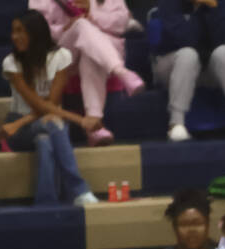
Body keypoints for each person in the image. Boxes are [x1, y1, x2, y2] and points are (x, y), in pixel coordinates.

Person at [0, 10, 100, 206]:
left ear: (35, 32)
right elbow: (37, 104)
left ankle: (46, 203)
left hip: (42, 120)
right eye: (13, 31)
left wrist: (23, 121)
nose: (15, 37)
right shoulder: (11, 63)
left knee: (45, 140)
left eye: (20, 31)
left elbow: (50, 105)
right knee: (54, 124)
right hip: (20, 127)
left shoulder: (61, 56)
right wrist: (81, 120)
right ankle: (79, 190)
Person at [28, 0, 144, 146]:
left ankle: (94, 124)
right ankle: (121, 71)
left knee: (89, 52)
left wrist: (93, 13)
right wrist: (66, 28)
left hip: (96, 50)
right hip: (60, 54)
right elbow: (36, 31)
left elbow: (121, 22)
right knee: (81, 26)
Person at [153, 0, 225, 142]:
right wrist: (198, 9)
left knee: (224, 52)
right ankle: (176, 123)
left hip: (211, 69)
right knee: (188, 54)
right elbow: (185, 39)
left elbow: (224, 38)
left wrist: (212, 8)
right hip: (173, 65)